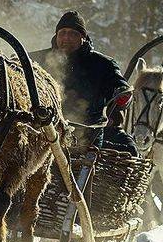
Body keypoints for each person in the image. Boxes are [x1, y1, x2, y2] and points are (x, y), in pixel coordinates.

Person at [35, 11, 135, 153]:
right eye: (62, 32)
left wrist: (122, 94)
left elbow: (123, 91)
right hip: (44, 134)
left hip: (88, 137)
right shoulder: (37, 60)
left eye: (73, 33)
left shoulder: (103, 65)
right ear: (56, 36)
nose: (66, 37)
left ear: (83, 37)